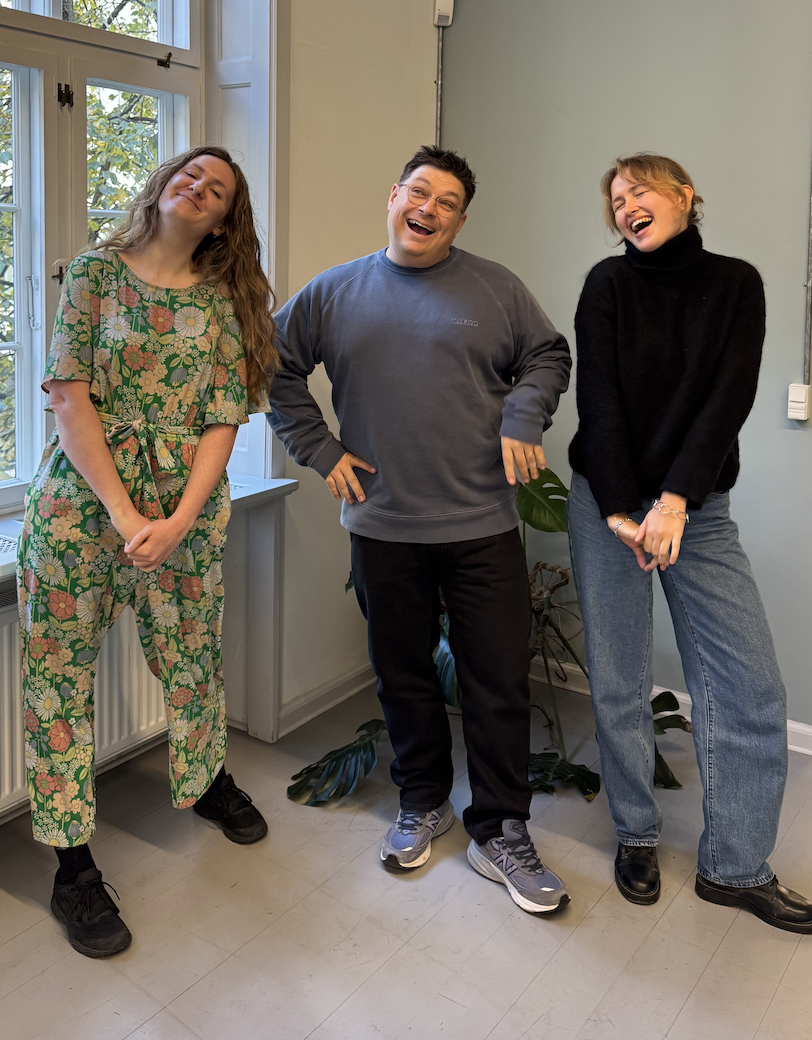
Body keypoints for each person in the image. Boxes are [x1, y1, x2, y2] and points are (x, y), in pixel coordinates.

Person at [268, 146, 572, 914]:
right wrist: (319, 448)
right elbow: (271, 365)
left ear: (460, 222)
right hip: (384, 526)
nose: (428, 209)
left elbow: (547, 355)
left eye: (447, 202)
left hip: (482, 523)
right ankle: (424, 801)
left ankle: (499, 830)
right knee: (402, 676)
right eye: (419, 192)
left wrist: (523, 412)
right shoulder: (334, 292)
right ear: (394, 196)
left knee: (497, 682)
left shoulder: (496, 289)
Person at [17, 145, 278, 957]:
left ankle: (206, 782)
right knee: (57, 678)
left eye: (217, 188)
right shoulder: (92, 275)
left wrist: (177, 521)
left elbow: (222, 421)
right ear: (163, 184)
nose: (198, 187)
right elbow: (69, 397)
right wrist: (128, 514)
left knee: (194, 657)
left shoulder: (225, 301)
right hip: (80, 507)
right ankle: (72, 867)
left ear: (224, 220)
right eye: (189, 174)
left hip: (185, 513)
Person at [566, 152, 812, 932]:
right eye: (615, 199)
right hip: (606, 502)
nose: (625, 205)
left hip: (695, 510)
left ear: (685, 197)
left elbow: (727, 398)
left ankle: (735, 868)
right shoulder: (607, 284)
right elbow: (599, 401)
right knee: (619, 675)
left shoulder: (735, 284)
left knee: (749, 684)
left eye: (639, 190)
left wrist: (674, 501)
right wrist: (619, 510)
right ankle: (636, 834)